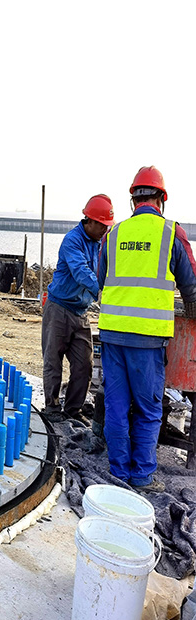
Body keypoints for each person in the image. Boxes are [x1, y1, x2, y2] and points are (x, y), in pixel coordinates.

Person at [98, 166, 196, 492]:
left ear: (132, 199)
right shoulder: (171, 233)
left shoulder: (113, 234)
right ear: (161, 198)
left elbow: (100, 280)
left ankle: (117, 471)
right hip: (148, 338)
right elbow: (191, 286)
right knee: (148, 409)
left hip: (112, 333)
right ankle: (141, 476)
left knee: (115, 406)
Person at [42, 194, 115, 424]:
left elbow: (106, 271)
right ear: (89, 221)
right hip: (59, 308)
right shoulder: (72, 241)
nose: (105, 230)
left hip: (81, 311)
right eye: (102, 225)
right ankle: (52, 407)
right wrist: (102, 293)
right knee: (53, 360)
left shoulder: (101, 243)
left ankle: (73, 409)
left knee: (84, 364)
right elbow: (81, 271)